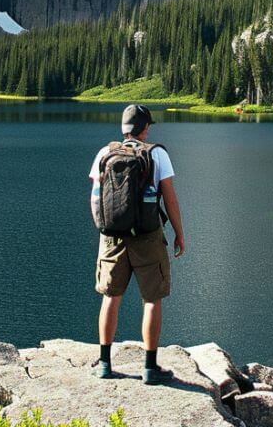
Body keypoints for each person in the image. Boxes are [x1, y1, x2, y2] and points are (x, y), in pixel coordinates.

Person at [89, 104, 185, 384]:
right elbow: (170, 198)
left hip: (112, 236)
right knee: (152, 300)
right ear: (144, 128)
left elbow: (96, 198)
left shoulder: (105, 153)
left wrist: (105, 228)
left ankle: (105, 364)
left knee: (111, 297)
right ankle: (149, 368)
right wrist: (179, 234)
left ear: (123, 128)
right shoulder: (156, 154)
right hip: (148, 236)